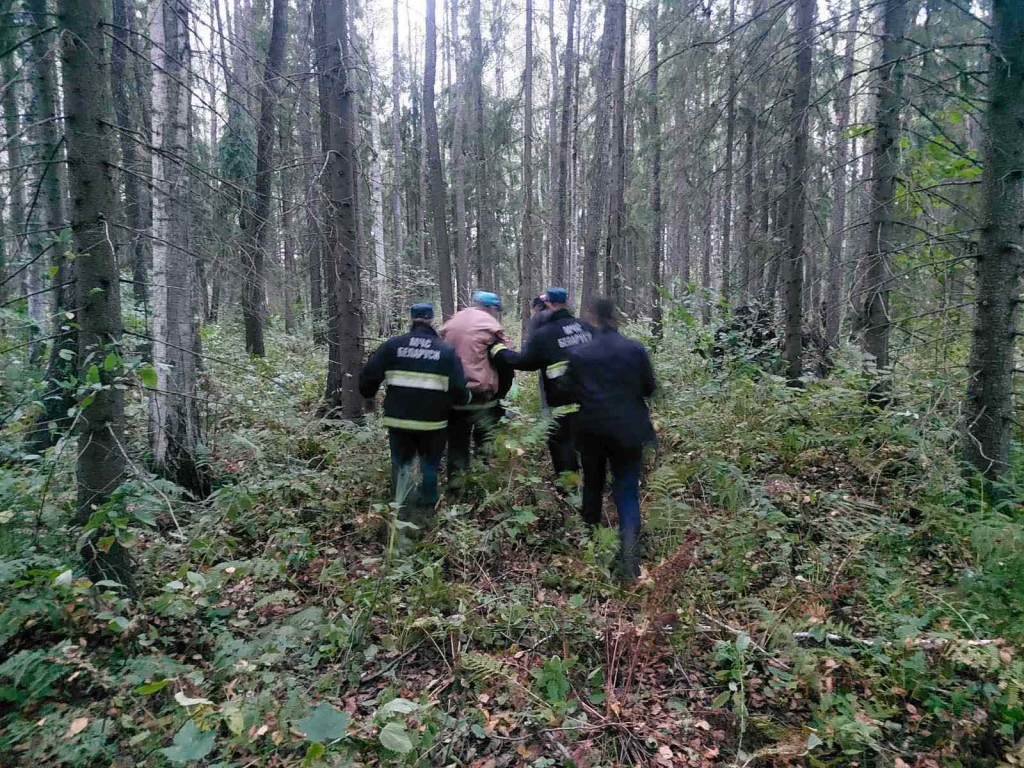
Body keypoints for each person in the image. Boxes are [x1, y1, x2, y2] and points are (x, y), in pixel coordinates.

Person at [566, 297, 657, 581]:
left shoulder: (580, 354)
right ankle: (630, 561)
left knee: (592, 485)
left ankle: (592, 549)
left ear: (592, 317)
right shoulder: (635, 349)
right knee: (627, 491)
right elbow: (649, 388)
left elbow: (568, 390)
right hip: (629, 430)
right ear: (614, 317)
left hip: (591, 430)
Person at [359, 303, 470, 529]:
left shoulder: (392, 346)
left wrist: (368, 394)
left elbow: (368, 377)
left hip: (398, 421)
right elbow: (459, 389)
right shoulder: (446, 351)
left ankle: (401, 511)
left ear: (412, 318)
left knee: (401, 464)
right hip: (434, 423)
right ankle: (427, 512)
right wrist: (464, 400)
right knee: (430, 465)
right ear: (431, 319)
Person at [497, 287, 593, 482]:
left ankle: (569, 491)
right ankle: (592, 483)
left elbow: (524, 361)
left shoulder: (545, 334)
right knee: (589, 444)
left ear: (548, 304)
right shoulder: (587, 327)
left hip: (562, 405)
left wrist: (498, 350)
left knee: (563, 444)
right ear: (567, 302)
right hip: (592, 401)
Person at [440, 291, 515, 489]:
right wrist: (501, 396)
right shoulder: (490, 326)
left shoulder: (452, 322)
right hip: (482, 396)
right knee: (485, 440)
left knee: (457, 444)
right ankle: (484, 487)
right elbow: (506, 361)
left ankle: (457, 488)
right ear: (490, 308)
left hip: (453, 395)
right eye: (495, 309)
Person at [528, 295, 551, 415]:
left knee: (545, 388)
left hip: (546, 361)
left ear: (538, 306)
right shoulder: (558, 314)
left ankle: (546, 418)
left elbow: (532, 339)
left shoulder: (537, 318)